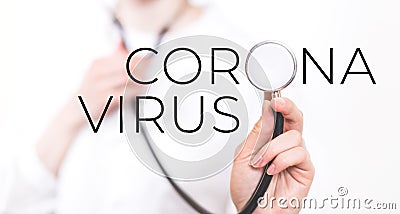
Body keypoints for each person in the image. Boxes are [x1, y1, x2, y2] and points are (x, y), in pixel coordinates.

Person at [1, 0, 314, 213]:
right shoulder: (47, 38)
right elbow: (19, 204)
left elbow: (268, 197)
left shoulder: (249, 65)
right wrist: (75, 112)